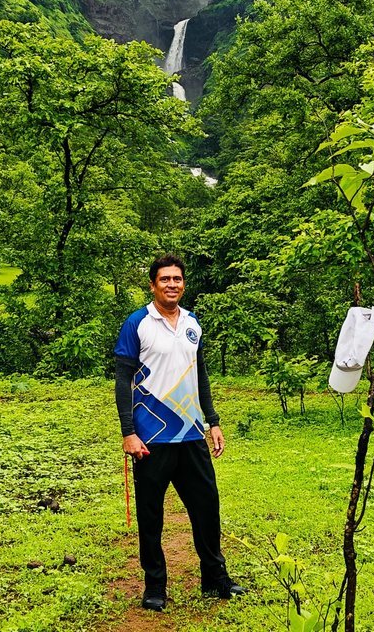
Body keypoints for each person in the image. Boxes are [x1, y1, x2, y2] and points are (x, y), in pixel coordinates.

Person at [114, 254, 245, 612]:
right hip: (151, 440)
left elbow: (199, 376)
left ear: (184, 283)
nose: (172, 284)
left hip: (190, 434)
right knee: (151, 516)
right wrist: (128, 431)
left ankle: (214, 578)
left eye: (177, 279)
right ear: (153, 285)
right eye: (164, 279)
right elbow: (122, 380)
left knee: (207, 509)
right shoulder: (137, 323)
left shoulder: (192, 323)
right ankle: (155, 585)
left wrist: (212, 421)